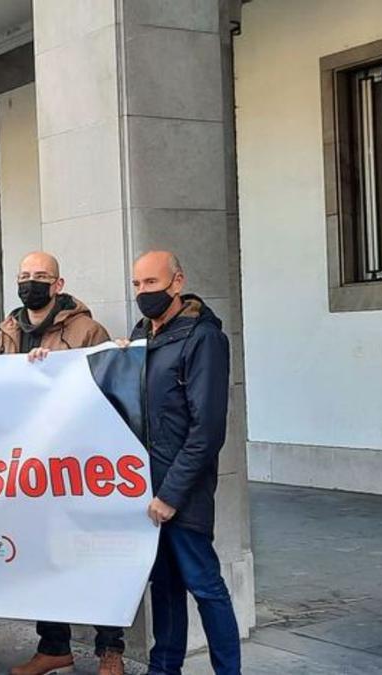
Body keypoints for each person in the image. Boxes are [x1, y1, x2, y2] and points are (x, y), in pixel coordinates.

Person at [0, 252, 123, 675]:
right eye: (24, 276)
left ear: (58, 283)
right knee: (42, 558)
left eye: (41, 277)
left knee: (94, 556)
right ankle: (54, 646)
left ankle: (111, 650)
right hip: (34, 469)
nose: (30, 283)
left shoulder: (87, 329)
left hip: (81, 466)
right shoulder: (9, 329)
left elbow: (109, 390)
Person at [128, 251, 240, 675]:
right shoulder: (141, 335)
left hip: (181, 492)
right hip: (146, 489)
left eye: (151, 284)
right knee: (165, 586)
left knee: (205, 586)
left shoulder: (203, 338)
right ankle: (164, 668)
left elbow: (207, 429)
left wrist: (171, 494)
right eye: (137, 285)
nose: (143, 293)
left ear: (177, 282)